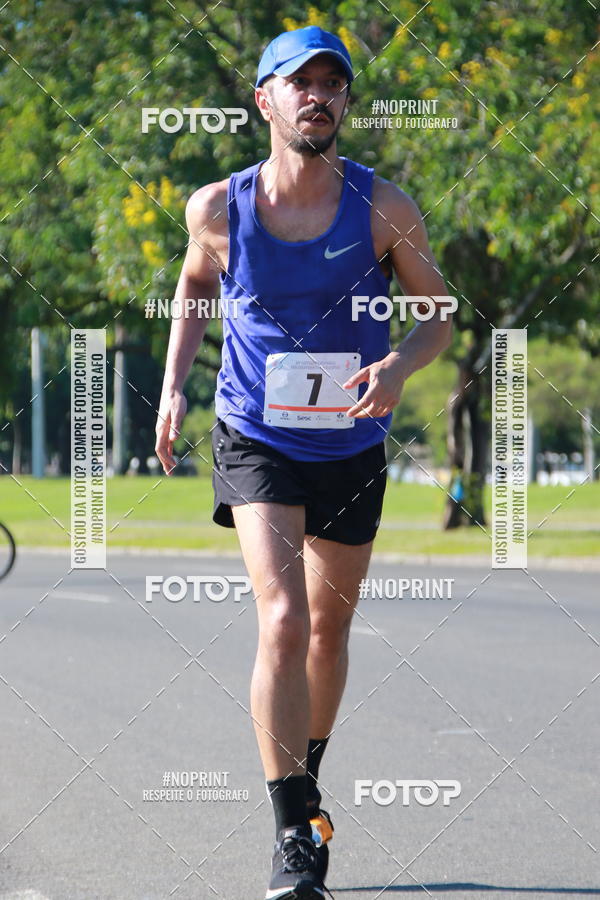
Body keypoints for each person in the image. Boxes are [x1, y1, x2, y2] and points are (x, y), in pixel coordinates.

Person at [155, 25, 452, 900]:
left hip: (352, 445)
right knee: (283, 618)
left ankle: (307, 779)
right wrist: (175, 385)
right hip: (255, 436)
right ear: (266, 100)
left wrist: (399, 365)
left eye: (333, 84)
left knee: (328, 632)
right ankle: (293, 835)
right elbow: (194, 287)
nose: (317, 95)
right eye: (300, 82)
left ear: (345, 102)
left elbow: (438, 313)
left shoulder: (383, 207)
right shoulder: (216, 209)